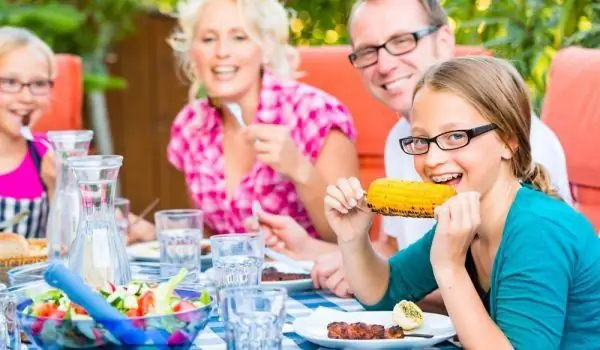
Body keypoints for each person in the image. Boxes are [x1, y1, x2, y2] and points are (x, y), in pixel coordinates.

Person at [246, 0, 574, 299]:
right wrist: (311, 249)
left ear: (444, 40)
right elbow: (395, 254)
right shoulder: (401, 139)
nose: (385, 64)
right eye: (368, 51)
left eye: (402, 41)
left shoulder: (513, 144)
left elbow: (520, 292)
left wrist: (384, 285)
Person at [325, 56, 600, 349]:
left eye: (456, 136)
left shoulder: (538, 230)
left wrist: (450, 267)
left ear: (508, 142)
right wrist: (354, 238)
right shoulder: (466, 218)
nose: (431, 160)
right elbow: (382, 292)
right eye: (420, 141)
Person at [164, 0, 359, 242]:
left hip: (311, 278)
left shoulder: (317, 113)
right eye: (208, 39)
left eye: (239, 37)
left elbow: (352, 239)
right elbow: (208, 237)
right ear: (193, 51)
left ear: (266, 48)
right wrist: (155, 235)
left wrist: (299, 169)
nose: (221, 52)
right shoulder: (190, 125)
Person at [0, 26, 56, 238]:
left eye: (39, 83)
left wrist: (60, 189)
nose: (26, 97)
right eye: (10, 82)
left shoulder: (50, 154)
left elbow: (73, 249)